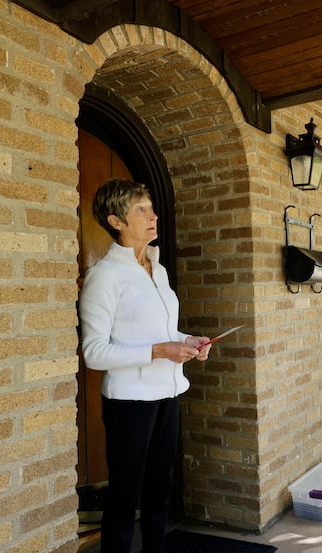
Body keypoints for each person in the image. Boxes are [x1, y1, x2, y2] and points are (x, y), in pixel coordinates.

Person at [79, 178, 211, 553]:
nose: (153, 215)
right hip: (130, 404)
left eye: (151, 208)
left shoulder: (158, 269)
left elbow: (163, 331)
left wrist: (187, 342)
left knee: (160, 489)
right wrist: (160, 351)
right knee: (125, 496)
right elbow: (94, 353)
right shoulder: (104, 276)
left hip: (168, 394)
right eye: (141, 209)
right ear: (115, 221)